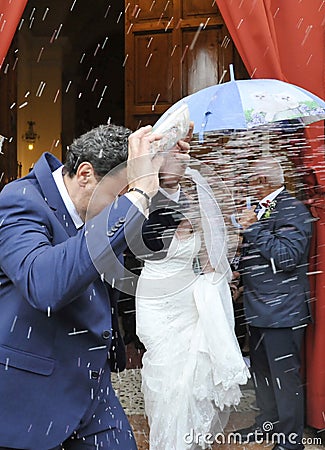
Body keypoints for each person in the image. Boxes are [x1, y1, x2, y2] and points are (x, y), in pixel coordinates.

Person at [0, 122, 191, 450]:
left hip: (93, 389)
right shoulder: (20, 201)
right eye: (119, 195)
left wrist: (167, 185)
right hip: (31, 389)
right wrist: (136, 196)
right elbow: (44, 285)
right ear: (85, 174)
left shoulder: (104, 205)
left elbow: (150, 242)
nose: (124, 204)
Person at [135, 164, 250, 450]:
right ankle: (166, 437)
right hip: (155, 300)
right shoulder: (146, 210)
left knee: (187, 373)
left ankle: (182, 440)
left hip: (187, 301)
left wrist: (217, 282)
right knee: (162, 368)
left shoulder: (198, 221)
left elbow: (210, 263)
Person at [236, 157, 313, 450]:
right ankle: (266, 425)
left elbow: (287, 257)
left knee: (284, 380)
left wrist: (254, 229)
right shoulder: (261, 208)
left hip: (283, 311)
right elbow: (260, 255)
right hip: (257, 307)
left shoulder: (293, 209)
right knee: (262, 376)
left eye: (250, 179)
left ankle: (290, 441)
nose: (247, 185)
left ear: (263, 181)